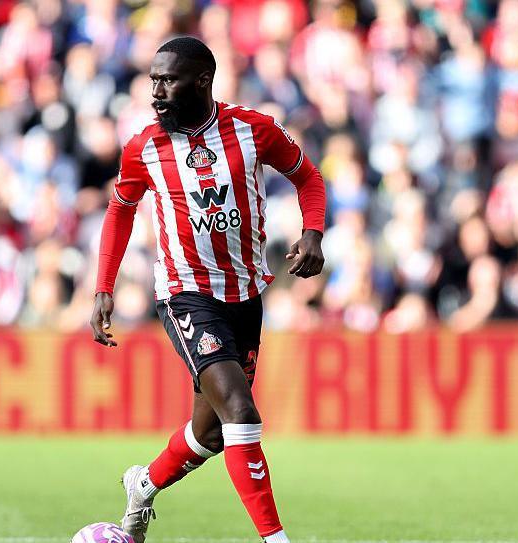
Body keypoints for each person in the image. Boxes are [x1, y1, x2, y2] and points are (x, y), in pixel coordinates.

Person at [90, 37, 327, 543]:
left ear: (201, 81)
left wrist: (313, 232)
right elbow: (120, 210)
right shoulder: (144, 147)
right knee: (241, 411)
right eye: (153, 80)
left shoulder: (253, 129)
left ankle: (143, 484)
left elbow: (308, 178)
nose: (156, 92)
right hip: (185, 294)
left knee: (212, 433)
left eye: (167, 81)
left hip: (246, 295)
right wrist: (103, 286)